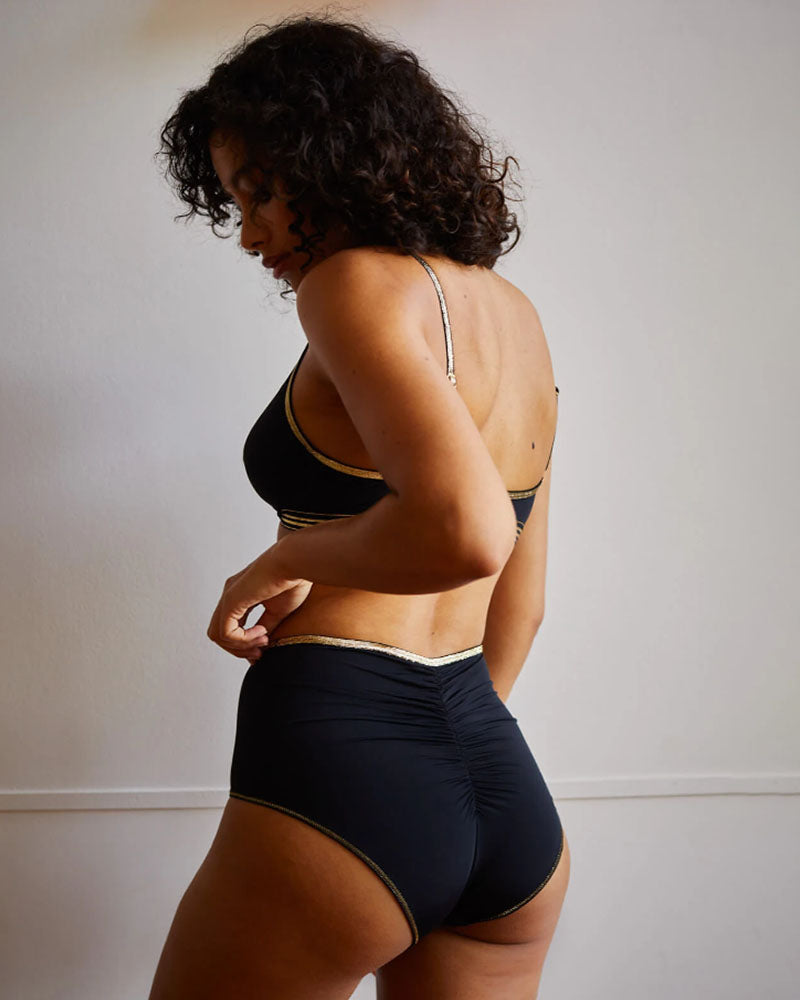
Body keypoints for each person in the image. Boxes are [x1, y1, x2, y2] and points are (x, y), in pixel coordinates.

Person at [150, 12, 570, 999]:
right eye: (234, 201)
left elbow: (465, 532)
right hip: (501, 793)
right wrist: (437, 777)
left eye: (261, 191)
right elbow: (520, 601)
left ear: (334, 156)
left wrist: (281, 559)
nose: (248, 231)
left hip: (343, 766)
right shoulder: (515, 316)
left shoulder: (349, 286)